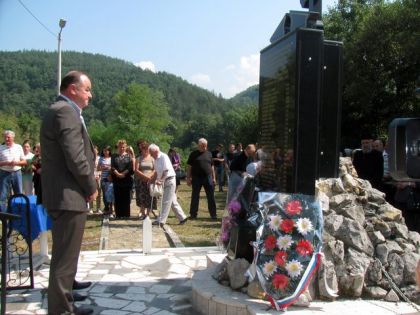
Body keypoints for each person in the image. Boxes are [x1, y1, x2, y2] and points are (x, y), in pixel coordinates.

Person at [40, 70, 97, 315]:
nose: (90, 96)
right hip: (69, 196)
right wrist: (90, 186)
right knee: (64, 260)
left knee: (65, 257)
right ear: (72, 88)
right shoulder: (65, 111)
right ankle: (62, 311)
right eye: (87, 90)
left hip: (66, 195)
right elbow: (75, 157)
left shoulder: (63, 110)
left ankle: (66, 304)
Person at [149, 144, 187, 226]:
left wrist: (160, 180)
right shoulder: (155, 159)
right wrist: (151, 180)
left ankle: (161, 220)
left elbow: (166, 171)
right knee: (172, 201)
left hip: (169, 180)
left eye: (151, 153)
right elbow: (156, 172)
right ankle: (182, 217)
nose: (151, 155)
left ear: (155, 151)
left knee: (165, 201)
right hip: (165, 181)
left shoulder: (163, 156)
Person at [186, 138, 217, 220]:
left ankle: (213, 214)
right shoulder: (193, 154)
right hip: (196, 178)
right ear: (199, 145)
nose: (205, 147)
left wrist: (214, 177)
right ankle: (193, 214)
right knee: (195, 196)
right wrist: (188, 178)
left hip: (208, 177)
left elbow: (212, 166)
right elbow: (189, 167)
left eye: (206, 146)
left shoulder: (209, 154)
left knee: (211, 196)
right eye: (203, 146)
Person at [0, 130, 26, 212]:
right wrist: (7, 162)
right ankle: (3, 217)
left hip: (17, 173)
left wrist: (16, 162)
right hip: (4, 173)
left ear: (13, 138)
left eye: (8, 137)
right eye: (5, 137)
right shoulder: (0, 148)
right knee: (2, 196)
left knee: (19, 194)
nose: (6, 139)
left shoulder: (18, 147)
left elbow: (24, 162)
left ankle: (19, 214)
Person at [134, 140, 157, 219]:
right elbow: (136, 170)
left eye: (147, 150)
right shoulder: (139, 158)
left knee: (150, 197)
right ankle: (142, 213)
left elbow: (155, 169)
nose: (146, 151)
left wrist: (150, 177)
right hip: (141, 181)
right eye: (144, 149)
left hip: (150, 180)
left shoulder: (152, 159)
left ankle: (148, 214)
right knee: (142, 197)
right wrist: (145, 177)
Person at [111, 139, 133, 218]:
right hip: (116, 179)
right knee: (117, 197)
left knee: (126, 198)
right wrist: (117, 173)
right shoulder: (114, 156)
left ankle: (126, 215)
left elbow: (130, 167)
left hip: (126, 179)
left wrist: (123, 174)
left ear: (126, 147)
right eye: (120, 147)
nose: (122, 148)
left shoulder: (129, 156)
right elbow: (112, 166)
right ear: (118, 147)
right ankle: (118, 215)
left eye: (123, 147)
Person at [98, 146, 112, 215]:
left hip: (110, 178)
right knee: (105, 194)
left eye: (107, 151)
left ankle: (111, 208)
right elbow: (98, 168)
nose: (105, 152)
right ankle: (106, 207)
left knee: (110, 193)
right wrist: (102, 168)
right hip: (103, 178)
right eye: (104, 151)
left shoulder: (111, 158)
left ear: (109, 151)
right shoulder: (101, 158)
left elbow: (114, 167)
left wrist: (109, 167)